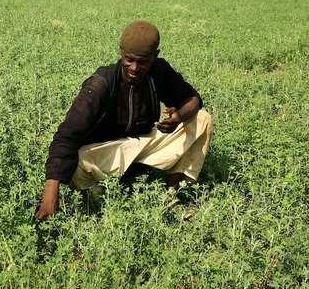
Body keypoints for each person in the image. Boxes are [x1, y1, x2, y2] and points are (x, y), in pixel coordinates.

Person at [35, 21, 212, 220]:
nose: (134, 68)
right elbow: (66, 134)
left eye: (142, 62)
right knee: (74, 162)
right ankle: (101, 204)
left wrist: (179, 117)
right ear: (120, 50)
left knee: (202, 119)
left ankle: (171, 197)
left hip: (141, 146)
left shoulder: (159, 71)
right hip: (103, 154)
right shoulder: (101, 84)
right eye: (129, 59)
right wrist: (51, 190)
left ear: (155, 55)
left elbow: (192, 98)